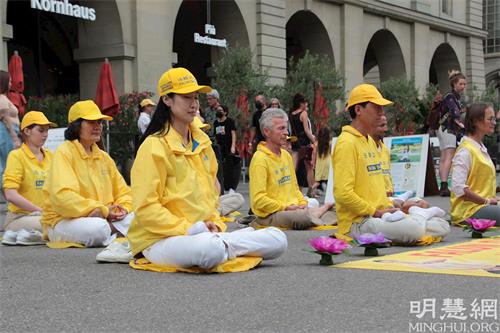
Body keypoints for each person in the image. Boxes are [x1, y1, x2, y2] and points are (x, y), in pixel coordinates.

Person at [127, 67, 287, 270]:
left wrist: (213, 224)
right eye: (186, 97)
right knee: (209, 250)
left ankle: (223, 245)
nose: (194, 104)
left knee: (278, 238)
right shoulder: (153, 146)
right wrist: (191, 229)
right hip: (160, 238)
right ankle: (224, 246)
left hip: (204, 234)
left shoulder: (202, 141)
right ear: (167, 100)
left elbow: (211, 195)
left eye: (195, 98)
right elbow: (146, 209)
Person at [333, 84, 450, 243]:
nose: (381, 112)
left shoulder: (369, 141)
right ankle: (417, 218)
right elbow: (343, 193)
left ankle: (416, 218)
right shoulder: (347, 142)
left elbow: (375, 191)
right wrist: (376, 212)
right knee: (414, 230)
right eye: (376, 107)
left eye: (382, 108)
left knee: (442, 225)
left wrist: (389, 207)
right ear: (358, 110)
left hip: (380, 215)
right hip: (359, 223)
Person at [41, 100, 134, 262]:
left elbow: (125, 191)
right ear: (76, 126)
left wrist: (123, 208)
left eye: (99, 121)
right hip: (64, 220)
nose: (97, 126)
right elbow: (63, 197)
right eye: (91, 122)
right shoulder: (64, 153)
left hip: (105, 217)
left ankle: (114, 230)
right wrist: (102, 210)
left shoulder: (103, 157)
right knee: (97, 229)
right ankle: (116, 231)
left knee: (140, 216)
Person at [249, 108, 334, 230]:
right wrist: (286, 207)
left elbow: (295, 188)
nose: (286, 132)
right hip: (272, 214)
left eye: (286, 128)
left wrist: (302, 204)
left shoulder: (286, 156)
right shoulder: (260, 159)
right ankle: (320, 211)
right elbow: (258, 200)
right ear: (267, 132)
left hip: (293, 209)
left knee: (336, 210)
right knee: (301, 217)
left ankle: (315, 214)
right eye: (281, 128)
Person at [1, 111, 56, 245]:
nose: (45, 135)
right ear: (27, 131)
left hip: (47, 215)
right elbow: (10, 194)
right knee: (55, 225)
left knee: (61, 223)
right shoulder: (16, 156)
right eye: (41, 130)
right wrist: (40, 211)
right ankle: (17, 234)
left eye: (47, 131)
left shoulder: (51, 156)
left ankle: (27, 237)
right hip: (19, 217)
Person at [450, 102, 499, 225]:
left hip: (482, 206)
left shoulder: (479, 147)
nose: (494, 122)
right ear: (476, 122)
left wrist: (490, 199)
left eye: (494, 118)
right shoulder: (465, 151)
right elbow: (458, 188)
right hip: (468, 211)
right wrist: (486, 201)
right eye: (490, 119)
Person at [437, 70, 467, 196]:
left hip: (442, 128)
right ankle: (444, 186)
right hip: (448, 128)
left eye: (464, 84)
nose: (463, 86)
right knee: (448, 156)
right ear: (454, 84)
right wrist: (463, 125)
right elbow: (455, 114)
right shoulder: (451, 96)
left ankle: (443, 185)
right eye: (461, 84)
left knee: (444, 157)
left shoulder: (451, 97)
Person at [289, 93, 316, 196]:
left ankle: (290, 189)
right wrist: (314, 141)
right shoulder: (303, 113)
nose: (306, 104)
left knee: (293, 168)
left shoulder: (291, 114)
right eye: (305, 102)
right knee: (309, 167)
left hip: (295, 143)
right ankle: (312, 191)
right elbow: (306, 130)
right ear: (301, 103)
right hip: (304, 143)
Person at [0, 70, 21, 190]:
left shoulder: (3, 98)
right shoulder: (2, 98)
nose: (10, 83)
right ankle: (8, 191)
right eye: (9, 81)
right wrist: (14, 138)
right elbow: (6, 119)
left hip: (6, 132)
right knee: (7, 163)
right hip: (6, 133)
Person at [213, 104, 239, 191]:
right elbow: (215, 135)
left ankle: (230, 186)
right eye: (217, 110)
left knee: (230, 166)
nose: (218, 112)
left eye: (220, 110)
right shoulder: (215, 123)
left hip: (228, 146)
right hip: (219, 147)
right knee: (221, 166)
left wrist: (233, 146)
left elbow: (233, 134)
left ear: (225, 112)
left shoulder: (230, 121)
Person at [312, 126, 331, 195]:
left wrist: (313, 163)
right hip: (328, 164)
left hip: (319, 165)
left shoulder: (316, 144)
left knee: (318, 181)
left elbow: (314, 154)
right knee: (329, 180)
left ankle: (311, 191)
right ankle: (331, 195)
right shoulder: (330, 143)